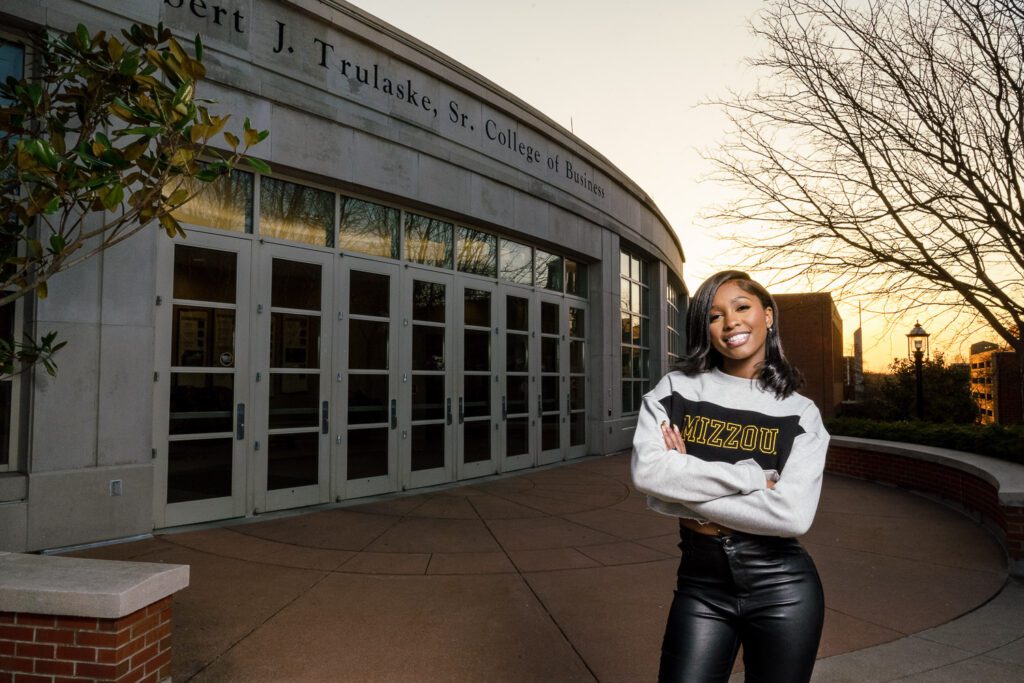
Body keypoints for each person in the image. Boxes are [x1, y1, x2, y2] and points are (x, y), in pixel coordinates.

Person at [631, 270, 828, 683]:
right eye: (715, 316)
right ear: (704, 327)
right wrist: (753, 480)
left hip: (783, 587)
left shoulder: (800, 412)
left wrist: (680, 487)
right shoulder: (676, 389)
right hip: (700, 585)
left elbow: (791, 516)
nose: (731, 322)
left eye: (742, 307)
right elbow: (649, 473)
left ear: (768, 316)